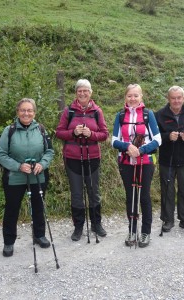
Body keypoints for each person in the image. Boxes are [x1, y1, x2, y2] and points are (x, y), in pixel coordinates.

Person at [0, 98, 55, 256]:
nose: (26, 113)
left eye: (29, 110)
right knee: (12, 209)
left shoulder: (41, 129)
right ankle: (9, 242)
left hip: (38, 175)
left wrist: (42, 163)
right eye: (23, 110)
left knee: (38, 206)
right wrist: (18, 166)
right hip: (15, 177)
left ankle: (39, 235)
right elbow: (0, 154)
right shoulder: (10, 130)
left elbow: (49, 151)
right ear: (18, 112)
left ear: (34, 113)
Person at [55, 79, 109, 241]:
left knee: (94, 192)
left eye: (86, 90)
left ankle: (96, 224)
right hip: (73, 158)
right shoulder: (69, 111)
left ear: (91, 92)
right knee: (77, 194)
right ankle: (78, 227)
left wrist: (90, 135)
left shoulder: (97, 111)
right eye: (80, 91)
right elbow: (59, 132)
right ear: (76, 93)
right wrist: (73, 132)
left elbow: (104, 134)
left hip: (92, 158)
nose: (83, 93)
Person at [112, 84, 161, 247]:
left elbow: (157, 140)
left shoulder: (148, 115)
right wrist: (127, 147)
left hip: (145, 161)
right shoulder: (120, 115)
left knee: (144, 196)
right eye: (129, 96)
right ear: (125, 97)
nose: (132, 99)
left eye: (136, 96)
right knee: (130, 196)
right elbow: (114, 140)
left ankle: (145, 232)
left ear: (141, 97)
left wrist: (141, 150)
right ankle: (132, 230)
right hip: (126, 162)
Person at [155, 86, 184, 234]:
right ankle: (168, 220)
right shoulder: (159, 115)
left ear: (183, 98)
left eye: (179, 98)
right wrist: (167, 137)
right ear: (168, 99)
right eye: (173, 98)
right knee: (167, 190)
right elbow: (154, 137)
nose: (176, 101)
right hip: (166, 159)